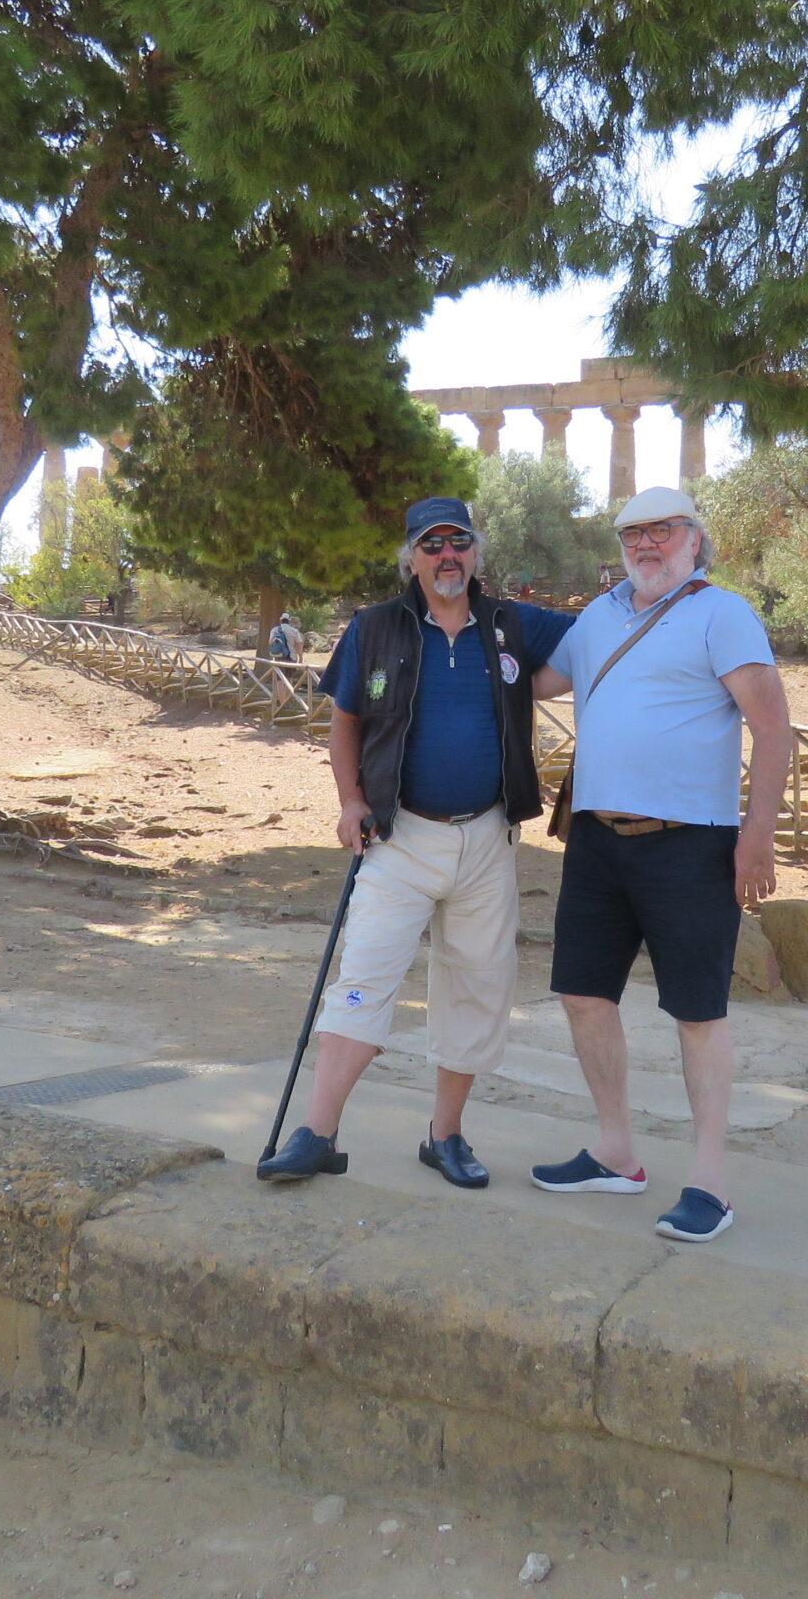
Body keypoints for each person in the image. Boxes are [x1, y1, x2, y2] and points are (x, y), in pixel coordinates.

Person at [258, 497, 574, 1187]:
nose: (446, 555)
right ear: (411, 558)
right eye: (432, 544)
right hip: (398, 836)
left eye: (458, 541)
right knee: (363, 979)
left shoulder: (512, 623)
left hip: (487, 839)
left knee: (475, 989)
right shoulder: (374, 627)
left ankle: (446, 1137)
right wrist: (350, 801)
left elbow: (603, 633)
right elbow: (344, 722)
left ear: (476, 552)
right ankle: (317, 1134)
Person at [528, 486, 793, 1244]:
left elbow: (774, 728)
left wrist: (758, 836)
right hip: (596, 841)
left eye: (663, 531)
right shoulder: (599, 616)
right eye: (633, 534)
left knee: (698, 1014)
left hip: (692, 844)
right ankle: (616, 1153)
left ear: (694, 540)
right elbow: (538, 682)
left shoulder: (723, 614)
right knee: (583, 995)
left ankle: (709, 1184)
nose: (647, 544)